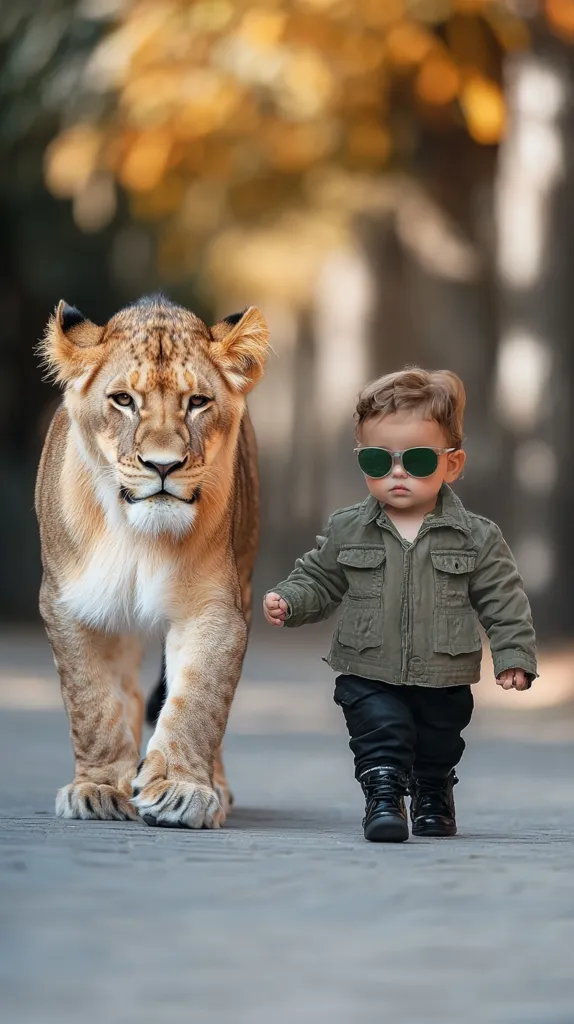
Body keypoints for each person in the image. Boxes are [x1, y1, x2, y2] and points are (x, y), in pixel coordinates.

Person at [263, 368, 537, 843]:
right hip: (367, 667)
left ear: (452, 464)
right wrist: (290, 599)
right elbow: (321, 577)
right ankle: (383, 796)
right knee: (380, 737)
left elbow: (502, 598)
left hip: (444, 674)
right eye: (377, 460)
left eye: (416, 460)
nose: (397, 473)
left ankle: (433, 791)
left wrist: (513, 654)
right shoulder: (350, 528)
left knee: (439, 744)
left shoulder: (477, 536)